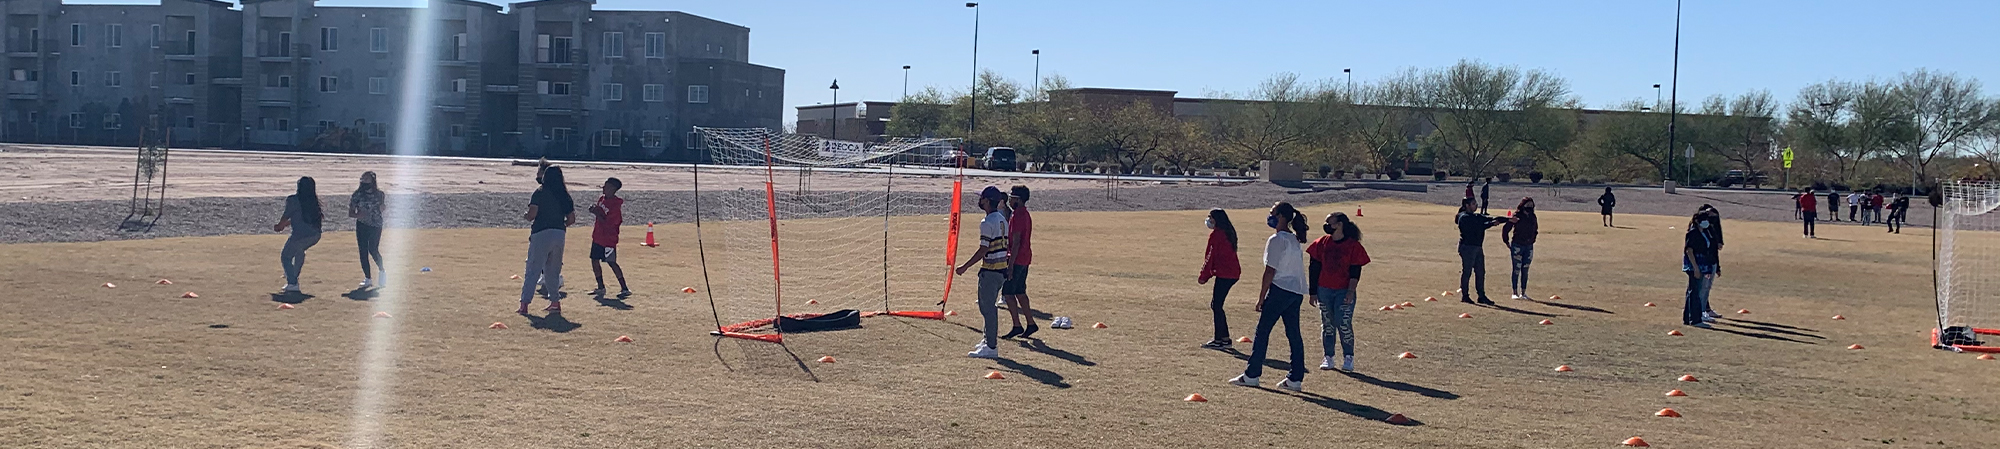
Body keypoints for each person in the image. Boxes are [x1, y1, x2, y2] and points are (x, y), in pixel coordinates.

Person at [1228, 202, 1310, 392]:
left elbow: (1270, 271)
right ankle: (1295, 378)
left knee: (1263, 331)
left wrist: (1261, 296)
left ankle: (1252, 374)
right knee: (1293, 334)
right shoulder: (1293, 239)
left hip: (1280, 289)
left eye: (1272, 213)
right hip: (1295, 291)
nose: (1269, 216)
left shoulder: (1277, 239)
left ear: (1281, 216)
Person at [1307, 212, 1368, 372]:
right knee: (1327, 324)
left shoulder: (1353, 246)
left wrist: (1350, 292)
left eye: (1330, 222)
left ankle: (1348, 357)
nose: (1327, 225)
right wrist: (1312, 292)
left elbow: (1355, 271)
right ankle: (1328, 356)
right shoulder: (1321, 243)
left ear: (1339, 224)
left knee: (1343, 323)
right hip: (1324, 289)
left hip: (1343, 291)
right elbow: (1314, 268)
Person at [956, 186, 1012, 359]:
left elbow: (983, 249)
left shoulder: (987, 222)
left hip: (991, 269)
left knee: (987, 308)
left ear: (987, 201)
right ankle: (988, 339)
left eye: (982, 199)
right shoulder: (1002, 219)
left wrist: (964, 267)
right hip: (1001, 268)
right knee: (989, 306)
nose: (979, 201)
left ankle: (991, 346)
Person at [519, 166, 576, 314]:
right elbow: (571, 219)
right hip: (559, 234)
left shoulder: (540, 192)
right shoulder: (565, 195)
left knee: (533, 268)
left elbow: (532, 214)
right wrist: (560, 225)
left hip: (541, 232)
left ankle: (524, 304)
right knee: (553, 270)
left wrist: (526, 216)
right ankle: (555, 302)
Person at [1198, 208, 1242, 349]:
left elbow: (1210, 256)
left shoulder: (1217, 235)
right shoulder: (1228, 233)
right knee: (1217, 305)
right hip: (1231, 273)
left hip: (1226, 274)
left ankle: (1220, 340)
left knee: (1216, 305)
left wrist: (1204, 276)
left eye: (1210, 218)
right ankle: (1224, 338)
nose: (1208, 220)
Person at [1000, 185, 1039, 339]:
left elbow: (1016, 242)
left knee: (1008, 293)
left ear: (1018, 200)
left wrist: (1010, 266)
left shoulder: (1017, 216)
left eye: (1012, 197)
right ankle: (1030, 323)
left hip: (1016, 259)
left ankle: (1017, 325)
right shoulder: (1025, 214)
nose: (1009, 200)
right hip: (1025, 258)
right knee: (1020, 292)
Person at [1456, 197, 1512, 304]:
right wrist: (1491, 224)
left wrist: (1508, 219)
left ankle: (1481, 296)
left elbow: (1492, 218)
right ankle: (1465, 296)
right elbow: (1478, 227)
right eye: (1473, 204)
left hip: (1477, 247)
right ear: (1467, 205)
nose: (1476, 205)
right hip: (1467, 247)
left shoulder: (1476, 216)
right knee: (1467, 272)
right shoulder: (1463, 217)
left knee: (1480, 272)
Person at [274, 177, 324, 293]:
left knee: (286, 256)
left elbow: (286, 215)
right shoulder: (313, 200)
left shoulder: (293, 200)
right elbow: (302, 216)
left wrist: (280, 225)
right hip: (315, 235)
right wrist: (288, 223)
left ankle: (292, 282)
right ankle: (293, 277)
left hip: (300, 235)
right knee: (299, 251)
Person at [587, 177, 630, 299]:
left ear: (612, 189)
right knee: (594, 261)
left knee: (611, 262)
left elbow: (609, 223)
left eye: (606, 186)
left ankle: (624, 288)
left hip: (608, 239)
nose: (603, 188)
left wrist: (596, 213)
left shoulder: (615, 206)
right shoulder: (602, 199)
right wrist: (595, 209)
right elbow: (600, 213)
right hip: (598, 237)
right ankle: (601, 287)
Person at [1682, 209, 1721, 328]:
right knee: (1696, 292)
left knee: (1694, 291)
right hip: (1695, 265)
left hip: (1703, 265)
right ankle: (1695, 319)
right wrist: (1696, 268)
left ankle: (1688, 318)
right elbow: (1689, 250)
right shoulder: (1693, 233)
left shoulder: (1705, 232)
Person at [349, 171, 386, 289]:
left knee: (373, 249)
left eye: (367, 179)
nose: (364, 181)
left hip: (376, 224)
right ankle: (368, 278)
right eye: (362, 179)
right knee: (363, 251)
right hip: (362, 225)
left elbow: (381, 207)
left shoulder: (380, 194)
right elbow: (351, 212)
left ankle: (382, 271)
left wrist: (382, 208)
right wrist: (358, 215)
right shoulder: (357, 195)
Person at [1502, 197, 1539, 300]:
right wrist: (1506, 241)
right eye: (1528, 206)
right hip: (1517, 245)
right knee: (1516, 269)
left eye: (1531, 206)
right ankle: (1514, 292)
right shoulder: (1516, 216)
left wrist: (1532, 239)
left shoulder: (1533, 217)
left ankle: (1523, 292)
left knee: (1525, 269)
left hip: (1529, 246)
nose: (1529, 208)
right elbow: (1506, 228)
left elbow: (1535, 229)